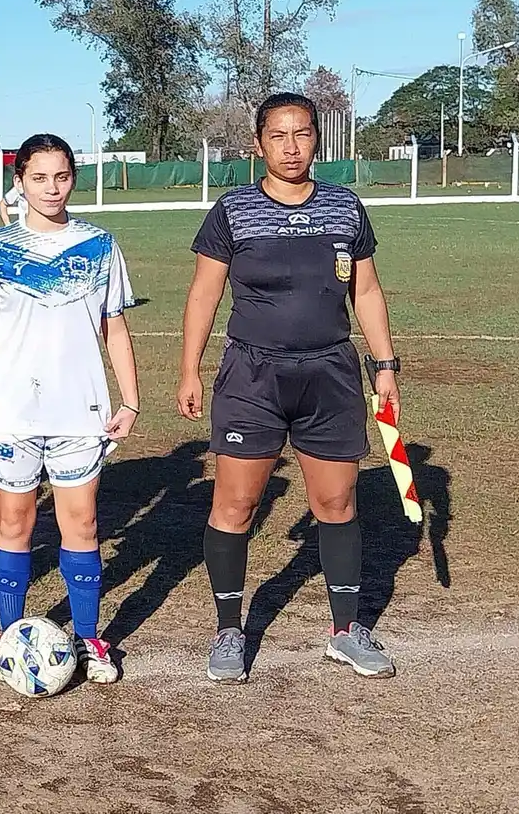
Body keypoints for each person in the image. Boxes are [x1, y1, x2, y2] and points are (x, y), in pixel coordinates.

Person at [177, 92, 401, 683]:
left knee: (336, 504)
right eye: (279, 135)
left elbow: (368, 292)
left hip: (330, 373)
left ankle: (346, 631)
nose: (292, 145)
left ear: (316, 139)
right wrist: (188, 369)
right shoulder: (233, 211)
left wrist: (385, 364)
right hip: (252, 375)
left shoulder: (346, 209)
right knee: (236, 503)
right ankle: (230, 630)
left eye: (303, 133)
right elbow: (204, 295)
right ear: (259, 145)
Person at [0, 133, 139, 687]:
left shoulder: (100, 246)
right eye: (39, 178)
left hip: (79, 412)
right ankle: (8, 636)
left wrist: (130, 398)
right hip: (12, 411)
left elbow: (115, 326)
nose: (51, 188)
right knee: (14, 523)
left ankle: (88, 637)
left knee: (81, 523)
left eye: (61, 176)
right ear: (20, 183)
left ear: (73, 180)